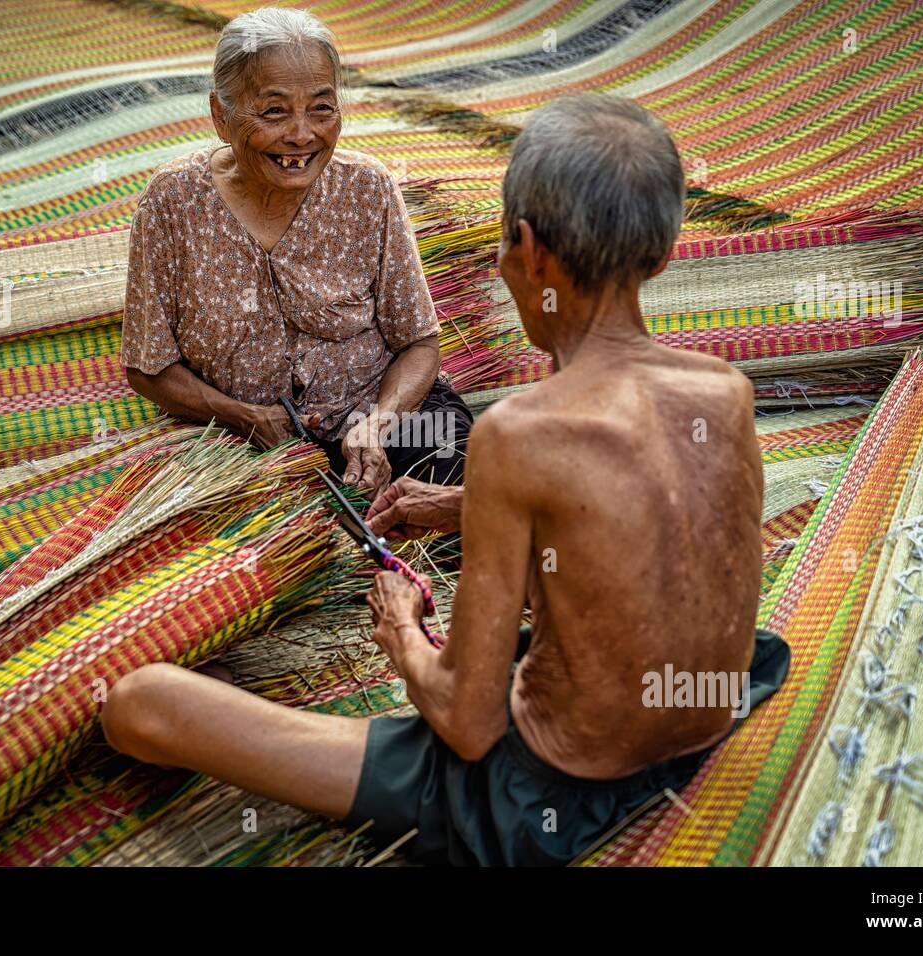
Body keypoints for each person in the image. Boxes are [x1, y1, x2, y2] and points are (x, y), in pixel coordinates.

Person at [101, 93, 790, 866]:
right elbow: (639, 516)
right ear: (662, 254)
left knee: (142, 706)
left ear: (526, 252)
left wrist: (402, 626)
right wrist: (466, 507)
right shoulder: (724, 393)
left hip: (537, 794)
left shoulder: (517, 435)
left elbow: (467, 722)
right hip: (702, 718)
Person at [118, 7, 471, 495]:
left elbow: (419, 344)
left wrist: (379, 424)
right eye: (274, 111)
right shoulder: (172, 202)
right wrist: (243, 416)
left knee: (459, 483)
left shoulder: (367, 189)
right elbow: (148, 366)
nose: (302, 135)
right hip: (235, 441)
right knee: (233, 543)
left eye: (322, 108)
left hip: (375, 413)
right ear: (221, 116)